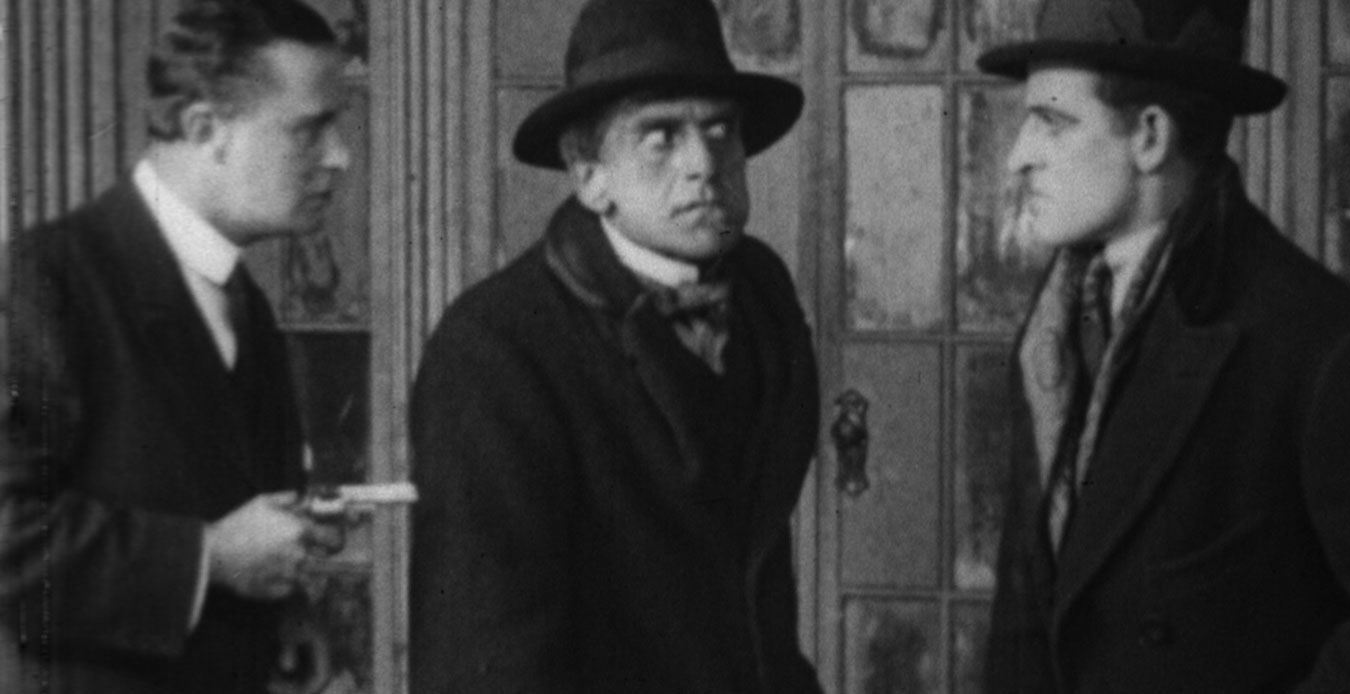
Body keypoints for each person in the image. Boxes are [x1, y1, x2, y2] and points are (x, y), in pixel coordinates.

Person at [976, 0, 1350, 691]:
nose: (1018, 158)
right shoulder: (1051, 335)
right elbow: (1027, 622)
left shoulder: (1320, 348)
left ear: (1150, 136)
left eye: (1052, 121)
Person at [407, 0, 822, 691]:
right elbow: (484, 664)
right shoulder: (493, 351)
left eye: (720, 129)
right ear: (589, 175)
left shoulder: (763, 298)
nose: (703, 165)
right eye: (661, 136)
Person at [0, 1, 352, 692]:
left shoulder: (246, 305)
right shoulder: (47, 282)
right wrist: (209, 557)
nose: (340, 157)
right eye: (311, 130)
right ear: (204, 129)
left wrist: (281, 615)